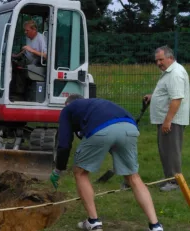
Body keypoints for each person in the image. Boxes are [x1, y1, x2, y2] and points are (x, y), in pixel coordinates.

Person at [50, 94, 163, 231]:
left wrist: (58, 169)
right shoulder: (96, 104)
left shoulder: (68, 110)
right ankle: (155, 226)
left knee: (80, 172)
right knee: (133, 176)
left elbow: (64, 144)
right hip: (129, 127)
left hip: (101, 129)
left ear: (67, 104)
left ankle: (93, 222)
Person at [143, 45, 189, 192]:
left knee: (171, 151)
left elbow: (176, 99)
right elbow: (168, 93)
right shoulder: (169, 71)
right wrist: (153, 97)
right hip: (168, 120)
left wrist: (167, 121)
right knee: (165, 150)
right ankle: (169, 179)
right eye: (156, 60)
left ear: (170, 57)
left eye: (161, 60)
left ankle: (175, 182)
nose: (158, 63)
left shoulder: (175, 73)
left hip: (171, 120)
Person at [10, 20, 47, 101]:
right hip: (28, 63)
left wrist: (32, 50)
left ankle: (19, 95)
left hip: (38, 65)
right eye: (25, 30)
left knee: (20, 70)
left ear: (34, 30)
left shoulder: (41, 39)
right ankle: (12, 92)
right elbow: (26, 49)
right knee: (13, 65)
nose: (25, 32)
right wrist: (17, 55)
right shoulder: (29, 38)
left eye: (27, 30)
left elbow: (46, 56)